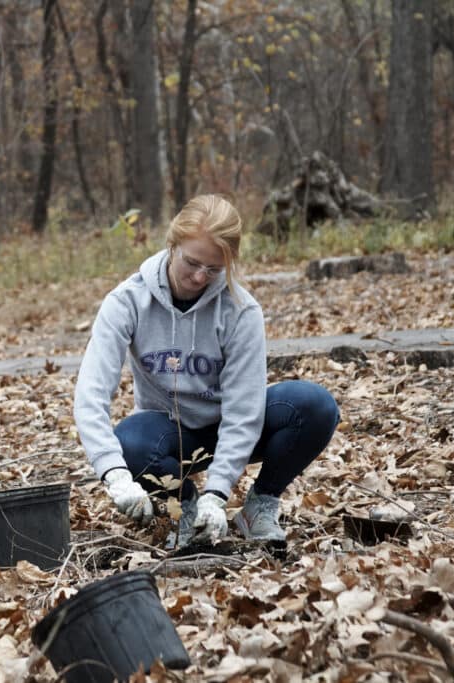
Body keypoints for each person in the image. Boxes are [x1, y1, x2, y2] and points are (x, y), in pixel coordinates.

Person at [73, 194, 339, 547]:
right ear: (172, 244)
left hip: (231, 426)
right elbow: (90, 394)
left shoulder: (241, 311)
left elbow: (244, 411)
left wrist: (218, 493)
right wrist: (114, 474)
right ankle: (184, 508)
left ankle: (258, 507)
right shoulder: (126, 302)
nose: (200, 277)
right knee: (129, 442)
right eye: (192, 262)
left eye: (214, 269)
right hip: (169, 434)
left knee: (315, 405)